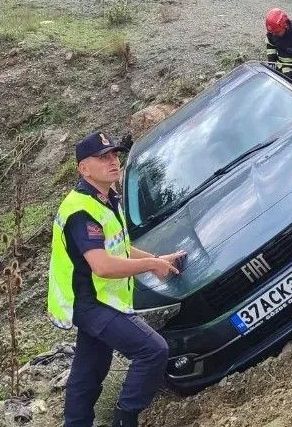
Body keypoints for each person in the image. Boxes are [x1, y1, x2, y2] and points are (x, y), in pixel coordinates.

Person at [49, 132, 187, 427]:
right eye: (103, 158)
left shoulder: (107, 198)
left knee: (89, 372)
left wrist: (154, 259)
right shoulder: (80, 212)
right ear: (84, 169)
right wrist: (149, 264)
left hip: (101, 298)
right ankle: (125, 419)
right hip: (90, 301)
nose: (113, 162)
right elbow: (101, 265)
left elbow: (117, 246)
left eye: (114, 155)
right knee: (152, 350)